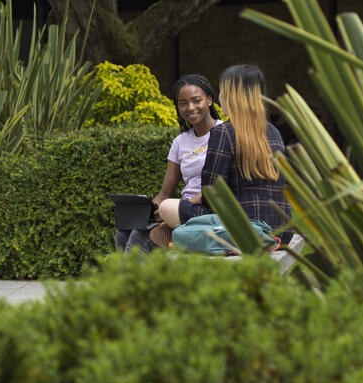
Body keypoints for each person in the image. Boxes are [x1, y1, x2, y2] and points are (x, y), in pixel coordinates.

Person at [157, 64, 294, 245]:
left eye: (221, 90)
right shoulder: (273, 132)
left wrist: (186, 204)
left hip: (244, 229)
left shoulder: (224, 132)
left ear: (231, 95)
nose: (220, 97)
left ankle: (189, 239)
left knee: (167, 207)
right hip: (281, 229)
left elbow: (211, 196)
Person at [117, 74, 224, 251]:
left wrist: (181, 206)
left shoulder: (225, 133)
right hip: (178, 210)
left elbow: (221, 187)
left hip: (205, 210)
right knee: (123, 232)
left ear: (210, 100)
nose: (190, 108)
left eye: (196, 100)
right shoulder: (180, 142)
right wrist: (149, 210)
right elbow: (165, 192)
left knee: (140, 237)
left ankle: (129, 279)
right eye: (183, 103)